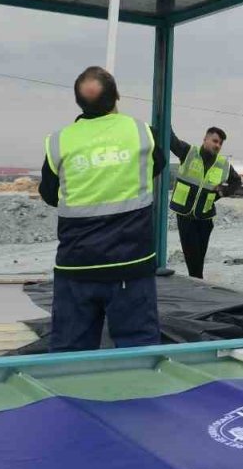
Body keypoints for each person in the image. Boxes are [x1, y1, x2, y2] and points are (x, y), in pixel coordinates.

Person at [39, 66, 166, 352]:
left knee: (69, 355)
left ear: (78, 102)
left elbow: (50, 194)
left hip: (76, 267)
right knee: (139, 353)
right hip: (130, 266)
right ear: (117, 95)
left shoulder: (59, 141)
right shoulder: (142, 133)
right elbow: (155, 167)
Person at [168, 126, 242, 279]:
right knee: (192, 257)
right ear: (205, 139)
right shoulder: (189, 152)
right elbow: (171, 141)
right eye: (215, 141)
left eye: (220, 143)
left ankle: (197, 284)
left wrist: (223, 191)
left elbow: (236, 181)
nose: (217, 145)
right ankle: (197, 284)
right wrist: (164, 117)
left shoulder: (223, 164)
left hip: (205, 217)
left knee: (199, 258)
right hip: (186, 215)